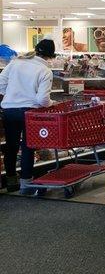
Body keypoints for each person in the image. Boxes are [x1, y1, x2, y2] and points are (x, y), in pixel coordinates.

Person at [0, 39, 56, 193]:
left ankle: (11, 180)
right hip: (30, 113)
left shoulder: (16, 62)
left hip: (9, 110)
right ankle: (26, 182)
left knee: (11, 146)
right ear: (50, 56)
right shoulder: (45, 71)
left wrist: (10, 96)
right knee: (28, 146)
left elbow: (1, 83)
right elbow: (42, 100)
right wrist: (52, 103)